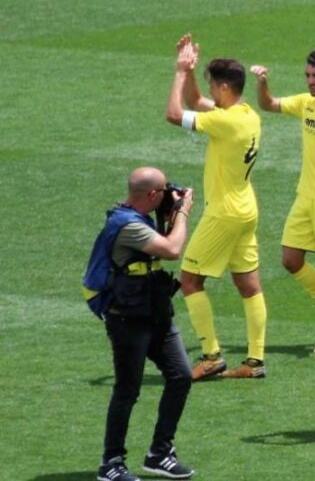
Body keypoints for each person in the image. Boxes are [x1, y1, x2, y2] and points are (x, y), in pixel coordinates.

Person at [166, 34, 267, 380]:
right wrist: (193, 70)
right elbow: (196, 100)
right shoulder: (246, 114)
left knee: (191, 279)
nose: (209, 91)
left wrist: (179, 70)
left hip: (223, 212)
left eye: (212, 84)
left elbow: (174, 112)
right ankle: (255, 362)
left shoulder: (224, 122)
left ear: (223, 87)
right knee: (249, 284)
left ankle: (211, 356)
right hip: (246, 209)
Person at [85, 167, 195, 481]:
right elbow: (172, 250)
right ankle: (111, 463)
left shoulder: (142, 218)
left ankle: (160, 453)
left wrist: (170, 215)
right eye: (163, 190)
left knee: (181, 376)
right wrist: (183, 212)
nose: (168, 194)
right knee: (127, 390)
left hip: (155, 312)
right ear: (151, 195)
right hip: (128, 318)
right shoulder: (127, 225)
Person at [251, 51, 315, 353]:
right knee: (290, 259)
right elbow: (268, 104)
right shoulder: (306, 103)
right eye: (308, 75)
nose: (311, 81)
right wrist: (262, 83)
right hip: (305, 195)